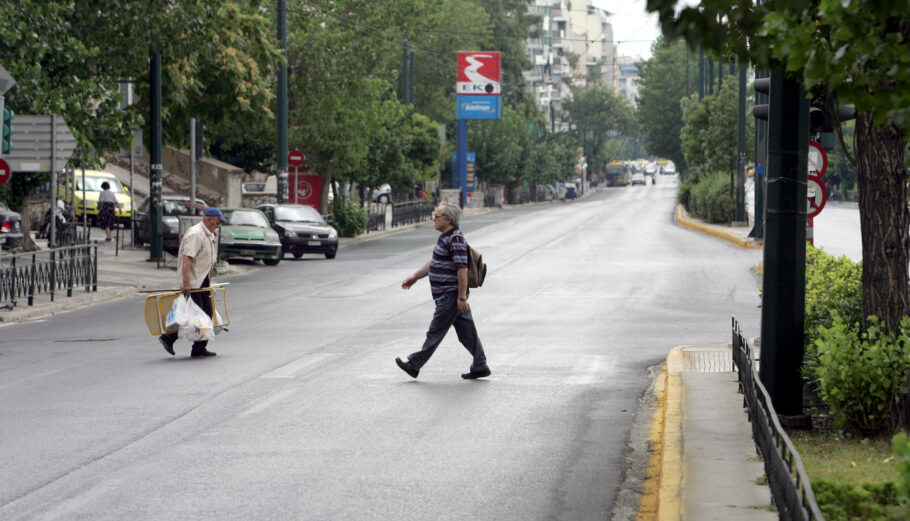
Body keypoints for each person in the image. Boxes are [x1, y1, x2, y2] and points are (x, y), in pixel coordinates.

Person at [396, 202, 490, 380]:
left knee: (435, 331)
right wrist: (415, 277)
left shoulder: (456, 240)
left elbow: (462, 269)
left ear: (447, 220)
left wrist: (461, 297)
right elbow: (435, 262)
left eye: (437, 216)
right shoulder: (445, 238)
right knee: (467, 333)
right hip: (450, 296)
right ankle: (480, 365)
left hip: (451, 295)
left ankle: (414, 364)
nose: (434, 219)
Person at [159, 207, 226, 358]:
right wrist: (186, 282)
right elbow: (187, 259)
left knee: (206, 315)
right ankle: (169, 337)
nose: (219, 224)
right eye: (217, 221)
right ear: (209, 219)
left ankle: (199, 348)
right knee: (196, 316)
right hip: (194, 281)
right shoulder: (196, 234)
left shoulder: (206, 234)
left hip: (203, 280)